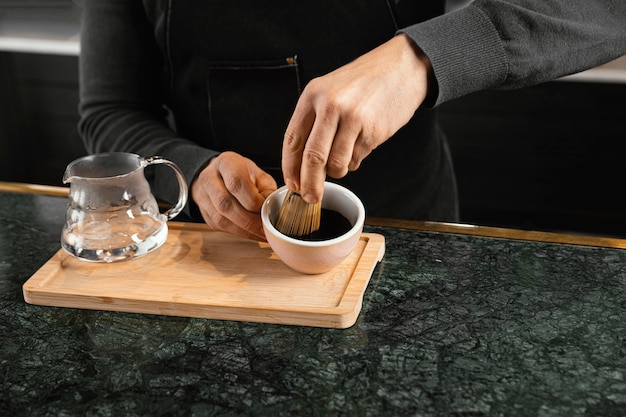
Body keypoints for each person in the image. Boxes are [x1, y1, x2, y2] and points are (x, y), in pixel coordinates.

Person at [78, 0, 626, 241]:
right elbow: (109, 111)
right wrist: (193, 173)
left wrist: (422, 56)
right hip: (218, 256)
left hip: (411, 230)